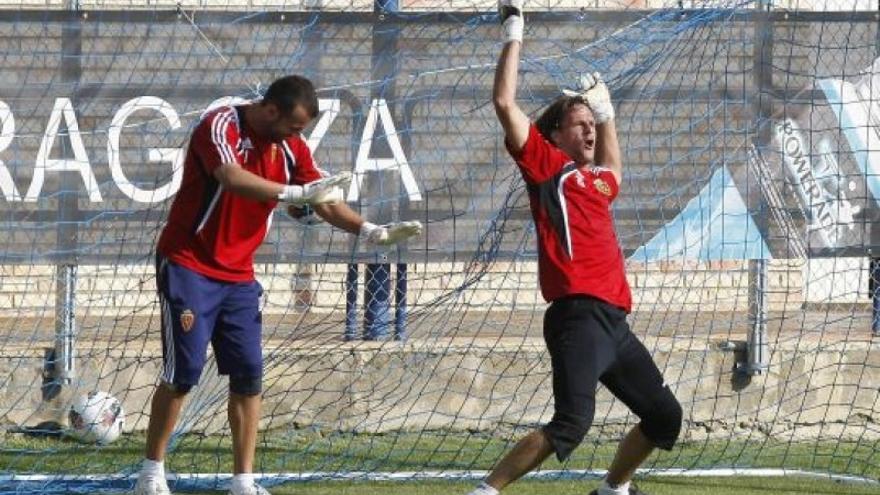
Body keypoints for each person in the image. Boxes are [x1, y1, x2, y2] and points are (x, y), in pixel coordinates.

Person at [133, 75, 422, 495]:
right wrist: (294, 193)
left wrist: (371, 231)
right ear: (270, 110)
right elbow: (231, 177)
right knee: (183, 374)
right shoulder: (221, 125)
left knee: (250, 374)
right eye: (293, 126)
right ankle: (151, 472)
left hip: (239, 275)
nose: (297, 135)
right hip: (188, 265)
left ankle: (243, 481)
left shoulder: (290, 146)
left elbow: (321, 197)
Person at [466, 3, 683, 495]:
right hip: (578, 317)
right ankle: (485, 491)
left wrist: (607, 116)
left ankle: (612, 491)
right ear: (554, 135)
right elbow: (504, 102)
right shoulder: (546, 167)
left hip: (614, 325)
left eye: (591, 125)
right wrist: (514, 32)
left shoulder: (595, 182)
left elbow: (615, 172)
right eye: (579, 123)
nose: (587, 131)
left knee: (664, 416)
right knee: (571, 424)